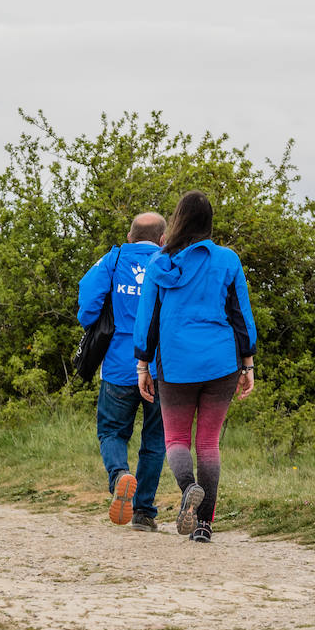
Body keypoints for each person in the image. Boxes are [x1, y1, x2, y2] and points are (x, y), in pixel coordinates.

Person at [132, 191, 256, 543]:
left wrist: (143, 364)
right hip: (220, 363)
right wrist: (247, 364)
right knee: (208, 443)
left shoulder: (159, 264)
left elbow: (148, 321)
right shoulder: (227, 261)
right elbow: (240, 315)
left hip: (175, 363)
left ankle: (188, 488)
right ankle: (204, 525)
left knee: (175, 439)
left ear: (178, 220)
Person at [77, 212, 167, 530]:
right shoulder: (171, 260)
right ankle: (143, 513)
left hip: (118, 365)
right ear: (162, 239)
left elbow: (87, 305)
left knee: (112, 432)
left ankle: (119, 476)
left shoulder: (113, 260)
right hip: (161, 367)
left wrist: (99, 322)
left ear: (130, 236)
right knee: (155, 439)